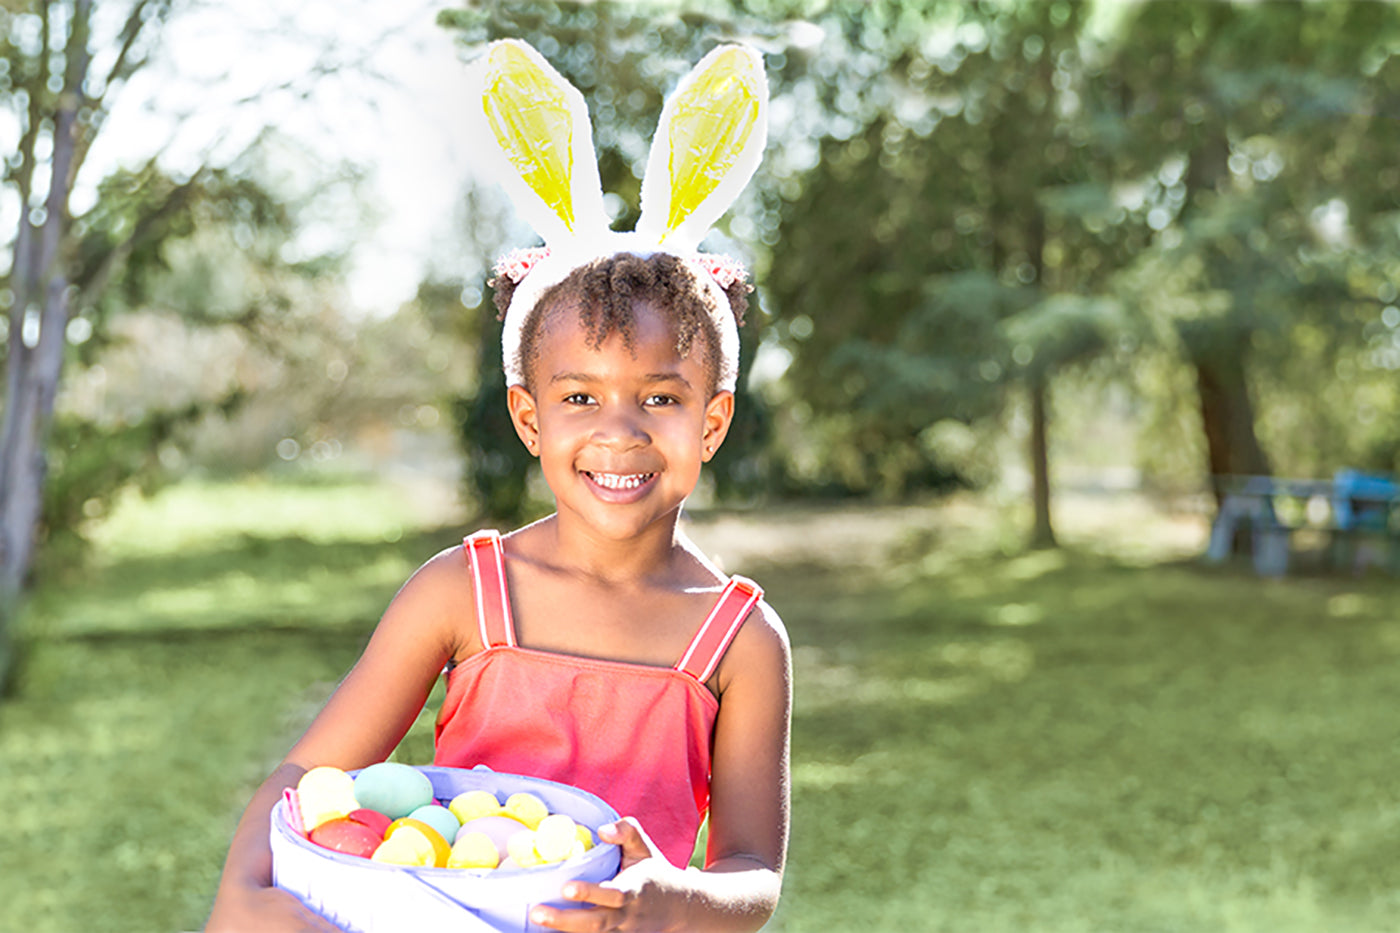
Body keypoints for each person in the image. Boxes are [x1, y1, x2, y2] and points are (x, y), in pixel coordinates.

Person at [206, 38, 789, 933]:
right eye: (580, 396)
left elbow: (753, 874)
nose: (619, 430)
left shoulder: (740, 641)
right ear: (530, 419)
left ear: (710, 421)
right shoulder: (461, 593)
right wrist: (244, 900)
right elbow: (305, 778)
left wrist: (669, 901)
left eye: (661, 398)